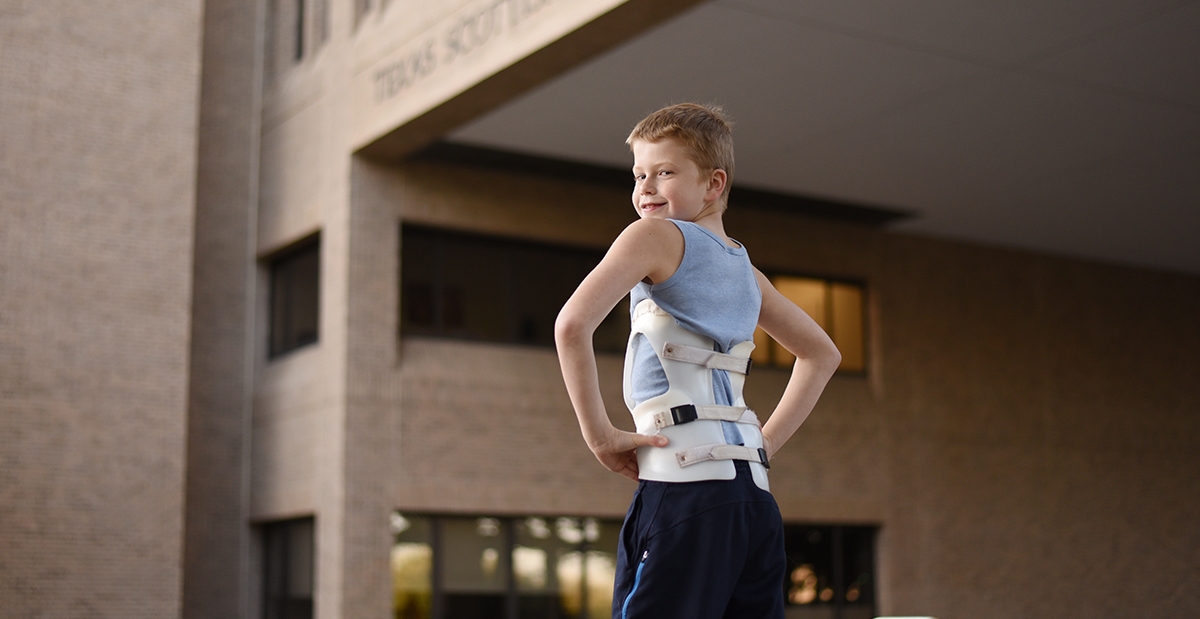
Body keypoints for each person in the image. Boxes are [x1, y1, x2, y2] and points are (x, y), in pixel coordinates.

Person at [554, 102, 842, 619]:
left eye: (665, 172)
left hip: (684, 490)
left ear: (714, 184)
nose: (646, 187)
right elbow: (822, 354)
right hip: (753, 503)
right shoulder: (745, 270)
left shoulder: (653, 237)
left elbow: (571, 325)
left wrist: (600, 437)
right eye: (639, 173)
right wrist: (764, 443)